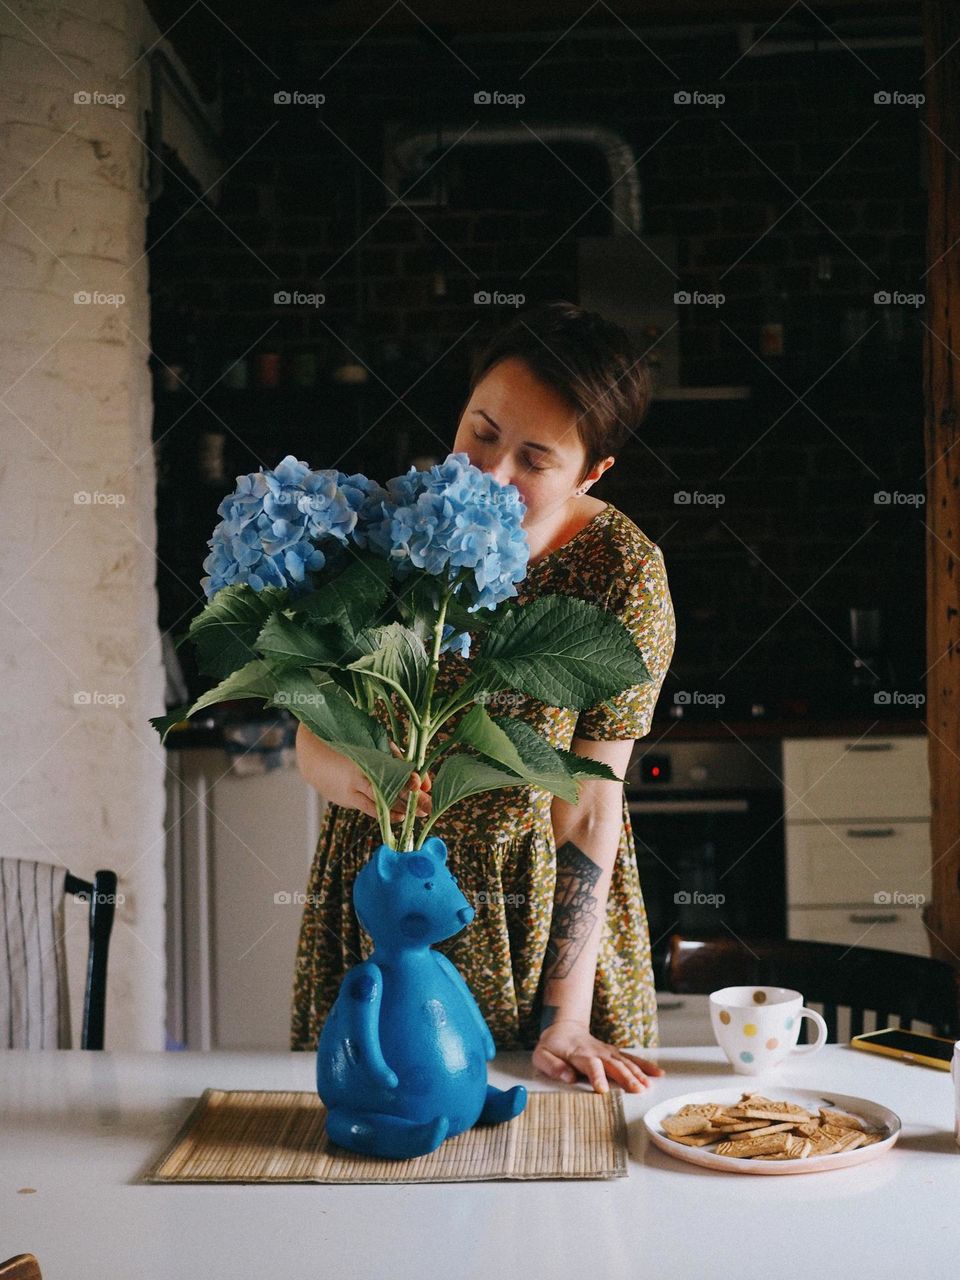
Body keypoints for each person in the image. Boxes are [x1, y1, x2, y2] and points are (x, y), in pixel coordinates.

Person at [291, 300, 676, 1095]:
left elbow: (591, 805)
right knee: (371, 1140)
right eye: (481, 432)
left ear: (591, 472)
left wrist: (565, 1016)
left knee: (552, 1170)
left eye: (535, 459)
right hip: (386, 886)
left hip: (532, 914)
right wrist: (366, 784)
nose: (490, 473)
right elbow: (311, 741)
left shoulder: (623, 573)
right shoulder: (388, 536)